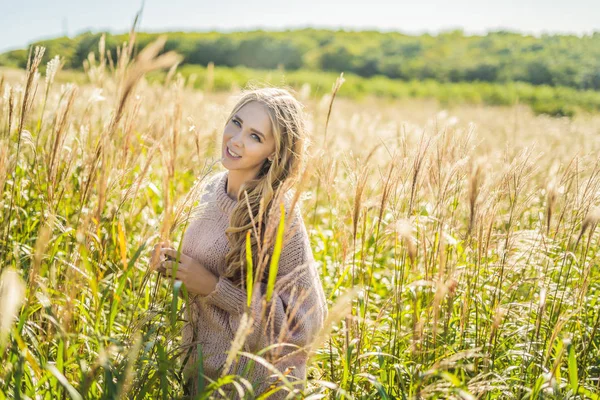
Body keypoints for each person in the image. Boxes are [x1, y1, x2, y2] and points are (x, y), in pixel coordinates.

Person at [152, 87, 328, 399]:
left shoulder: (277, 214)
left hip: (252, 387)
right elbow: (199, 277)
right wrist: (171, 266)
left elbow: (304, 328)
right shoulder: (209, 190)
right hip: (200, 377)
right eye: (236, 122)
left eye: (255, 136)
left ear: (274, 152)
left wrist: (215, 288)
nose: (235, 140)